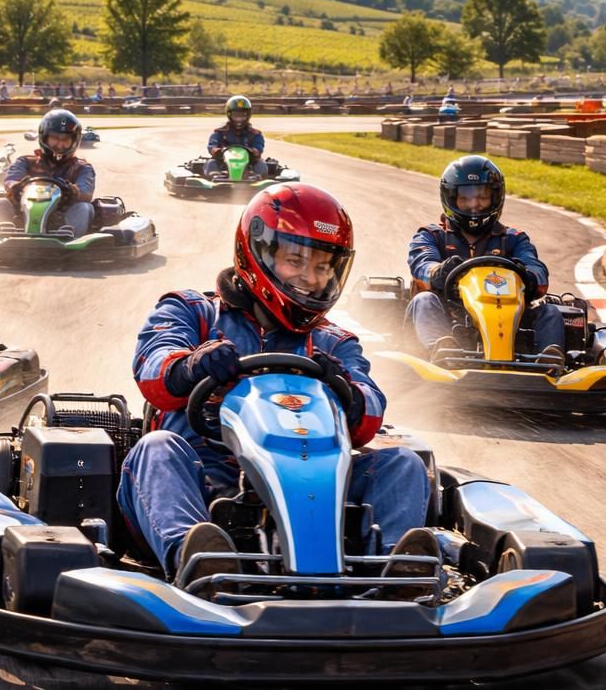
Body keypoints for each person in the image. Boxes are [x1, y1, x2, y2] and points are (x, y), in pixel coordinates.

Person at [116, 183, 434, 591]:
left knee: (403, 463)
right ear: (259, 253)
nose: (311, 277)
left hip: (315, 483)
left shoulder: (334, 341)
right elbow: (153, 367)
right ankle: (200, 563)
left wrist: (344, 390)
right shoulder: (193, 311)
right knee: (156, 448)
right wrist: (194, 364)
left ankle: (392, 575)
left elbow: (370, 411)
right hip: (205, 477)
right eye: (295, 260)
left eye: (323, 266)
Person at [406, 156, 566, 360]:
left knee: (550, 311)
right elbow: (421, 264)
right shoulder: (431, 235)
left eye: (482, 196)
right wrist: (438, 271)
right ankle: (442, 351)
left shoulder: (513, 239)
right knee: (424, 299)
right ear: (451, 198)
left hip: (507, 317)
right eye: (465, 197)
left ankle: (549, 361)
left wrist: (527, 275)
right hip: (449, 314)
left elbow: (538, 273)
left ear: (495, 198)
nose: (475, 204)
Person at [0, 109, 96, 236]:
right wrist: (16, 186)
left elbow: (85, 191)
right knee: (2, 202)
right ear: (44, 138)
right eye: (55, 138)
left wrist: (71, 190)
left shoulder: (82, 168)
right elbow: (11, 179)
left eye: (65, 140)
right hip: (23, 214)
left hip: (62, 218)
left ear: (74, 141)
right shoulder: (25, 161)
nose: (60, 144)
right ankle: (3, 234)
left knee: (84, 208)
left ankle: (70, 239)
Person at [204, 95, 266, 178]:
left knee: (261, 164)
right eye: (236, 115)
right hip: (223, 164)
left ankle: (256, 177)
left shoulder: (255, 134)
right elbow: (212, 146)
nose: (239, 119)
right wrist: (217, 150)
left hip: (249, 165)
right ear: (229, 115)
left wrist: (253, 151)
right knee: (211, 163)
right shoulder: (220, 133)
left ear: (248, 115)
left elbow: (258, 148)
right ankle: (216, 176)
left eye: (242, 115)